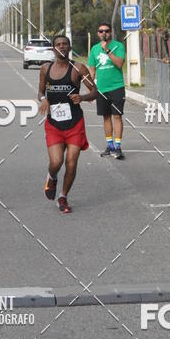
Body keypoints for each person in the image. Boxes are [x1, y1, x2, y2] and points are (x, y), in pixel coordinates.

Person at [38, 35, 97, 213]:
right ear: (53, 49)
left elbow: (94, 91)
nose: (62, 47)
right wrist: (43, 99)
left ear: (70, 47)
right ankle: (52, 176)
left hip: (75, 123)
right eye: (58, 45)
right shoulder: (45, 68)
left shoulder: (78, 68)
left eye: (65, 44)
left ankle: (63, 197)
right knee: (56, 162)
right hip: (54, 124)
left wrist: (83, 97)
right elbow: (40, 91)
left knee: (71, 163)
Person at [87, 21, 127, 160]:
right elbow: (91, 70)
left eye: (106, 30)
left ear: (110, 32)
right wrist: (91, 90)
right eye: (101, 31)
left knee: (117, 116)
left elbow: (120, 64)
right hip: (101, 89)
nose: (104, 33)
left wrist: (108, 51)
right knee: (106, 117)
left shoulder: (119, 46)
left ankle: (118, 147)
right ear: (98, 34)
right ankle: (110, 146)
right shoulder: (94, 49)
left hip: (117, 87)